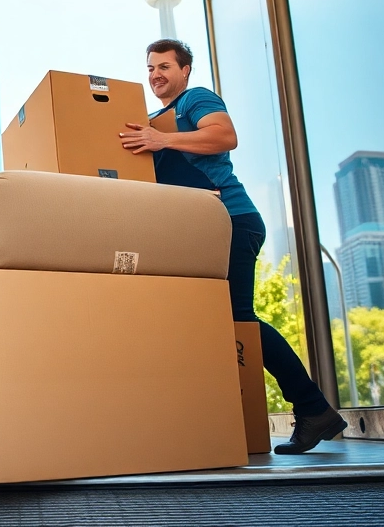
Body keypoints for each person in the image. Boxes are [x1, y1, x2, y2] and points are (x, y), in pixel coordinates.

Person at [120, 38, 346, 455]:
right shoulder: (152, 120)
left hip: (232, 221)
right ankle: (217, 416)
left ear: (185, 70)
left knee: (239, 317)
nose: (156, 74)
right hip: (200, 229)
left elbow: (224, 136)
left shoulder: (194, 101)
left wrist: (162, 141)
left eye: (165, 66)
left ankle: (313, 409)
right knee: (213, 321)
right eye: (150, 68)